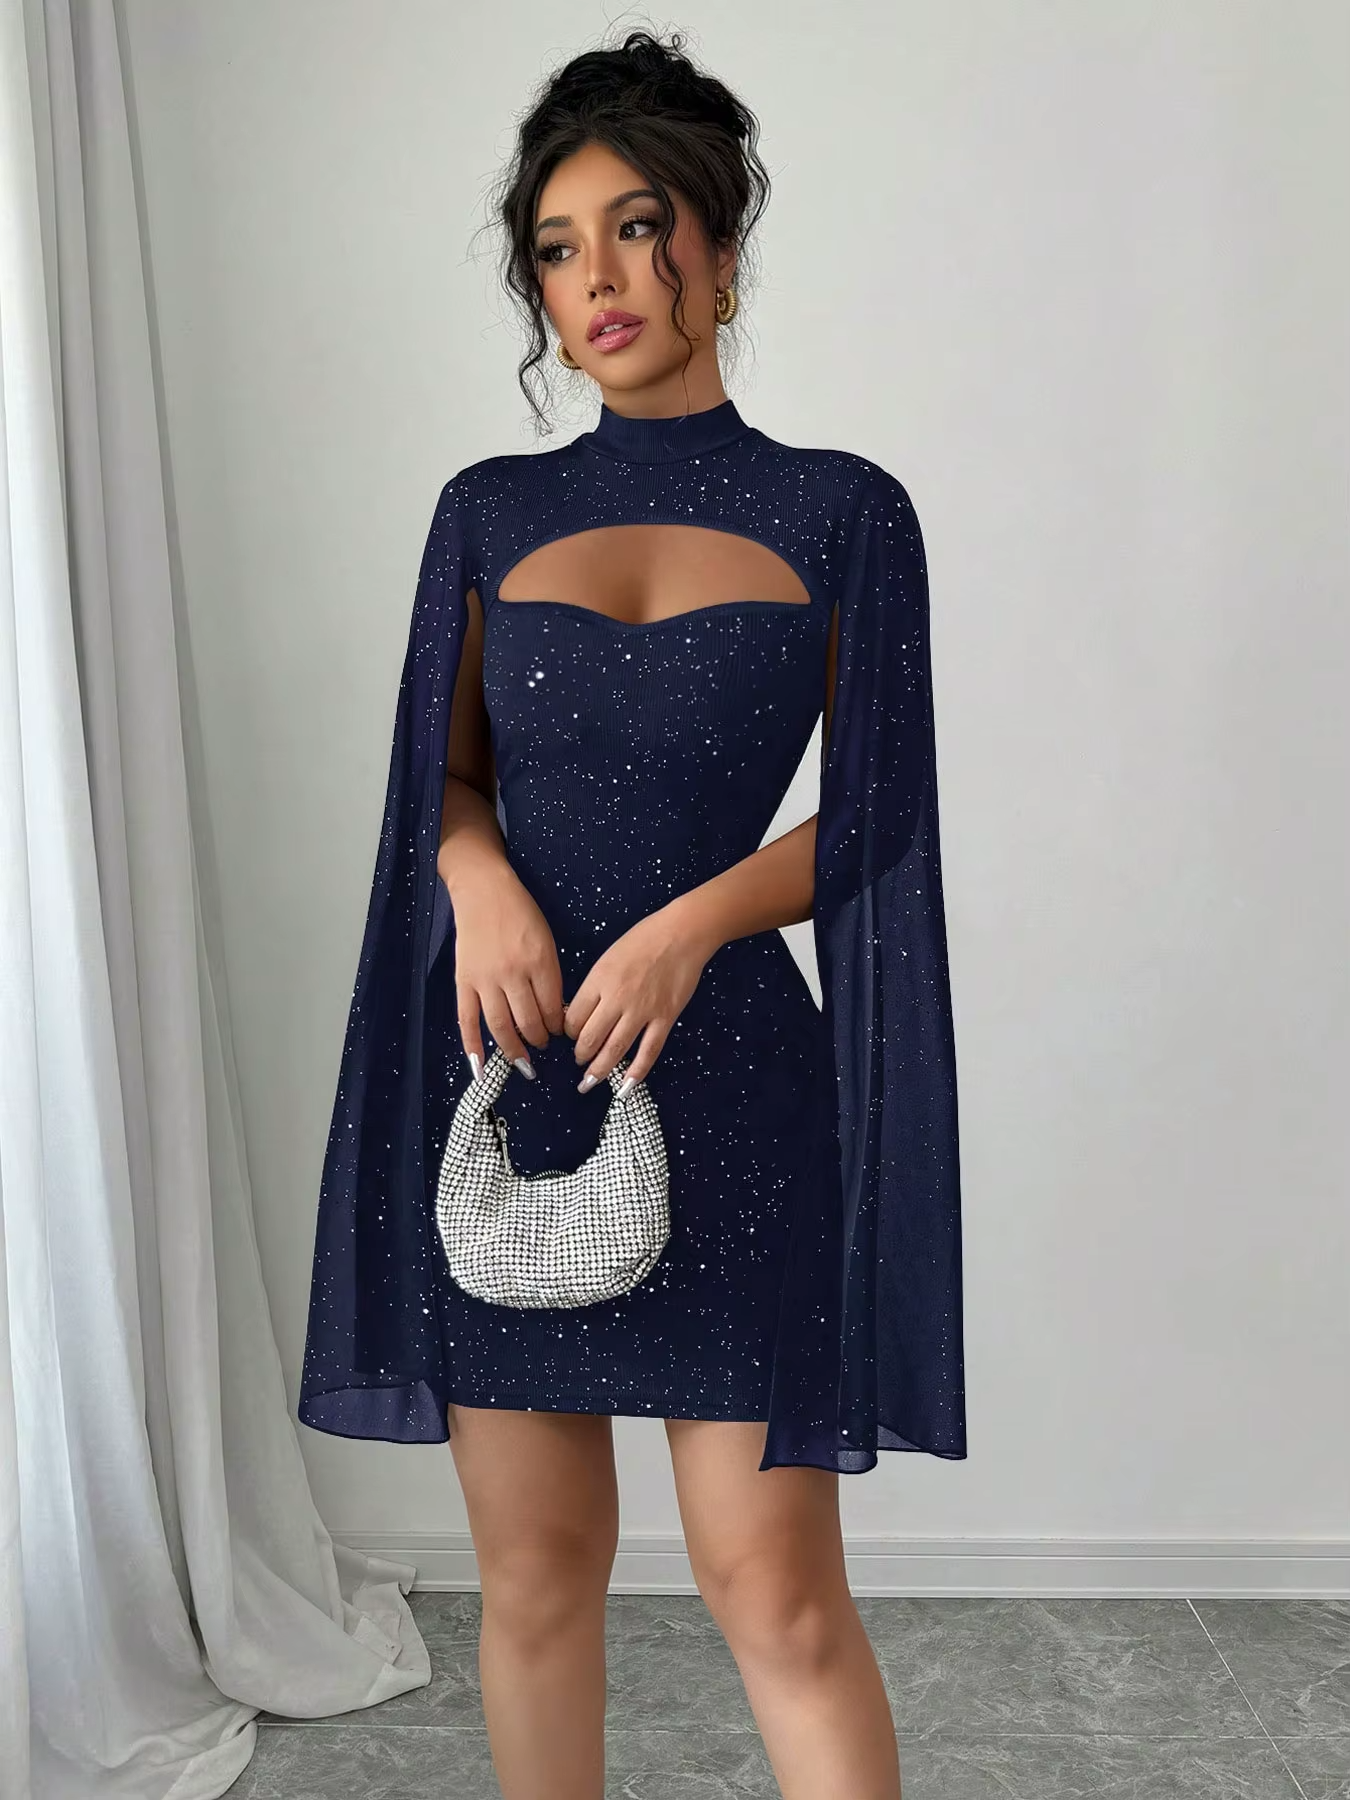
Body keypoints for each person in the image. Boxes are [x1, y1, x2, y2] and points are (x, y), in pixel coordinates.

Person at [298, 28, 965, 1800]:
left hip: (734, 1079)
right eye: (555, 247)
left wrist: (689, 926)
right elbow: (437, 783)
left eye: (636, 228)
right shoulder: (486, 513)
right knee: (534, 1580)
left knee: (777, 1598)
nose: (595, 278)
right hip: (518, 1071)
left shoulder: (843, 511)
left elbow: (878, 814)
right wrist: (478, 879)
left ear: (720, 252)